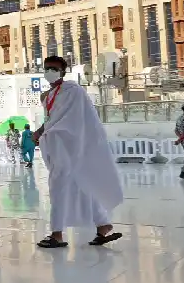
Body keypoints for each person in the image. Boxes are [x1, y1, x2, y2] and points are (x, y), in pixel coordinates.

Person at [32, 56, 124, 249]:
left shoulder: (73, 91)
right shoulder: (48, 95)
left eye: (54, 68)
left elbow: (73, 119)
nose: (50, 72)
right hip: (58, 145)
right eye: (47, 68)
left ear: (63, 71)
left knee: (58, 188)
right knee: (81, 185)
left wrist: (44, 131)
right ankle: (103, 225)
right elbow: (52, 119)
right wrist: (42, 130)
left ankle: (56, 234)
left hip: (71, 145)